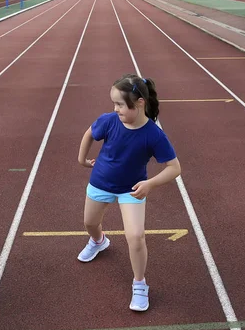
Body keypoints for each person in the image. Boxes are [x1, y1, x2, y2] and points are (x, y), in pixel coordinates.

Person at [77, 74, 181, 312]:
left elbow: (175, 168)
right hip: (100, 182)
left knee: (136, 237)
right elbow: (89, 133)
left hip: (132, 190)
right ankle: (98, 241)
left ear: (140, 103)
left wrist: (150, 184)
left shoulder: (154, 135)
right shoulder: (109, 121)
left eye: (121, 104)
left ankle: (139, 283)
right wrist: (82, 160)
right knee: (89, 223)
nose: (116, 109)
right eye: (114, 104)